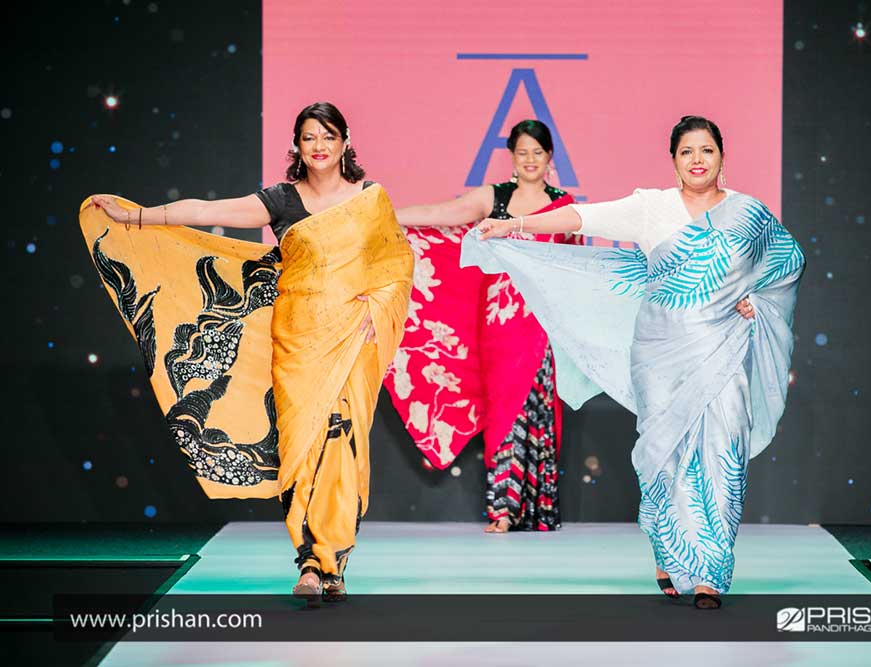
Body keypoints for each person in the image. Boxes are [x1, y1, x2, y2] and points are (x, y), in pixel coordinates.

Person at [463, 115, 803, 608]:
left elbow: (787, 262)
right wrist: (513, 225)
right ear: (674, 160)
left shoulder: (748, 214)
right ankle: (669, 548)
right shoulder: (652, 208)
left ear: (721, 157)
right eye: (686, 152)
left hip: (723, 352)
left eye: (706, 150)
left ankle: (710, 572)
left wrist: (758, 299)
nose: (697, 160)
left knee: (723, 455)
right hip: (659, 354)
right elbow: (581, 217)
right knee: (663, 457)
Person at [81, 102, 413, 605]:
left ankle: (334, 563)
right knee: (299, 444)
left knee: (340, 441)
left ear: (345, 142)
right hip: (297, 339)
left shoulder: (370, 199)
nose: (319, 146)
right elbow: (207, 212)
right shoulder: (281, 200)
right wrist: (136, 216)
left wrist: (381, 304)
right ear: (297, 146)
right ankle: (309, 563)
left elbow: (397, 263)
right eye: (309, 137)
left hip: (351, 342)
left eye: (328, 136)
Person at [389, 120, 576, 533]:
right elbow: (441, 214)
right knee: (503, 409)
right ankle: (502, 511)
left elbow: (577, 268)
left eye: (538, 152)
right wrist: (384, 216)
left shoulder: (564, 205)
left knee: (541, 409)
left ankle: (539, 509)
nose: (530, 159)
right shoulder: (496, 197)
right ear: (512, 157)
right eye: (522, 152)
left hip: (545, 324)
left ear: (549, 157)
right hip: (500, 322)